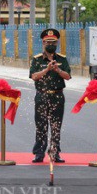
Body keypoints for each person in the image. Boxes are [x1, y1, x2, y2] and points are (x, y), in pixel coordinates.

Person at [30, 28, 71, 163]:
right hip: (42, 96)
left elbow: (68, 76)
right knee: (41, 125)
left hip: (57, 96)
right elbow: (34, 76)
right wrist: (46, 69)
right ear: (43, 43)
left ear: (57, 43)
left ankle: (55, 152)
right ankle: (39, 153)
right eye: (48, 42)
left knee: (56, 125)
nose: (51, 44)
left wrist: (57, 69)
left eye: (53, 42)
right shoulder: (37, 60)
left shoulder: (62, 59)